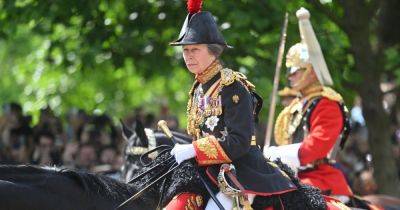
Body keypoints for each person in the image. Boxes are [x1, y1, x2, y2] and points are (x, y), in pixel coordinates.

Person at [165, 1, 299, 209]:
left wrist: (194, 149)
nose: (188, 55)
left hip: (241, 171)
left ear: (213, 52)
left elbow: (239, 141)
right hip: (207, 171)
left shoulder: (232, 86)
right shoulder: (198, 88)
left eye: (195, 49)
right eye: (185, 50)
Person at [264, 8, 371, 208]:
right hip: (291, 176)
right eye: (290, 72)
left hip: (320, 179)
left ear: (311, 71)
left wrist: (278, 154)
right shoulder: (296, 105)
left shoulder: (326, 103)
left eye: (296, 71)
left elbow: (316, 147)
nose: (290, 76)